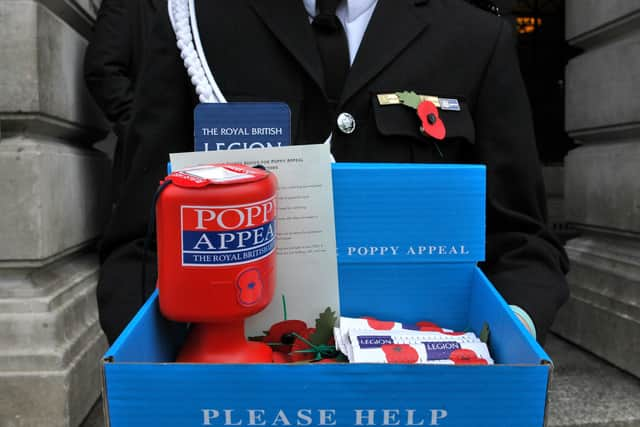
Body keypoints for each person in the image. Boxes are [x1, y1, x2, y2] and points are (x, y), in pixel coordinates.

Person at [95, 0, 569, 345]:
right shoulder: (196, 23)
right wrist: (156, 366)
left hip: (417, 387)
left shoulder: (473, 36)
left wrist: (507, 338)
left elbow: (521, 239)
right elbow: (142, 238)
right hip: (237, 385)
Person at [84, 0, 162, 203]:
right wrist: (142, 128)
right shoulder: (128, 4)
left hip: (209, 160)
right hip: (149, 164)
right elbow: (103, 71)